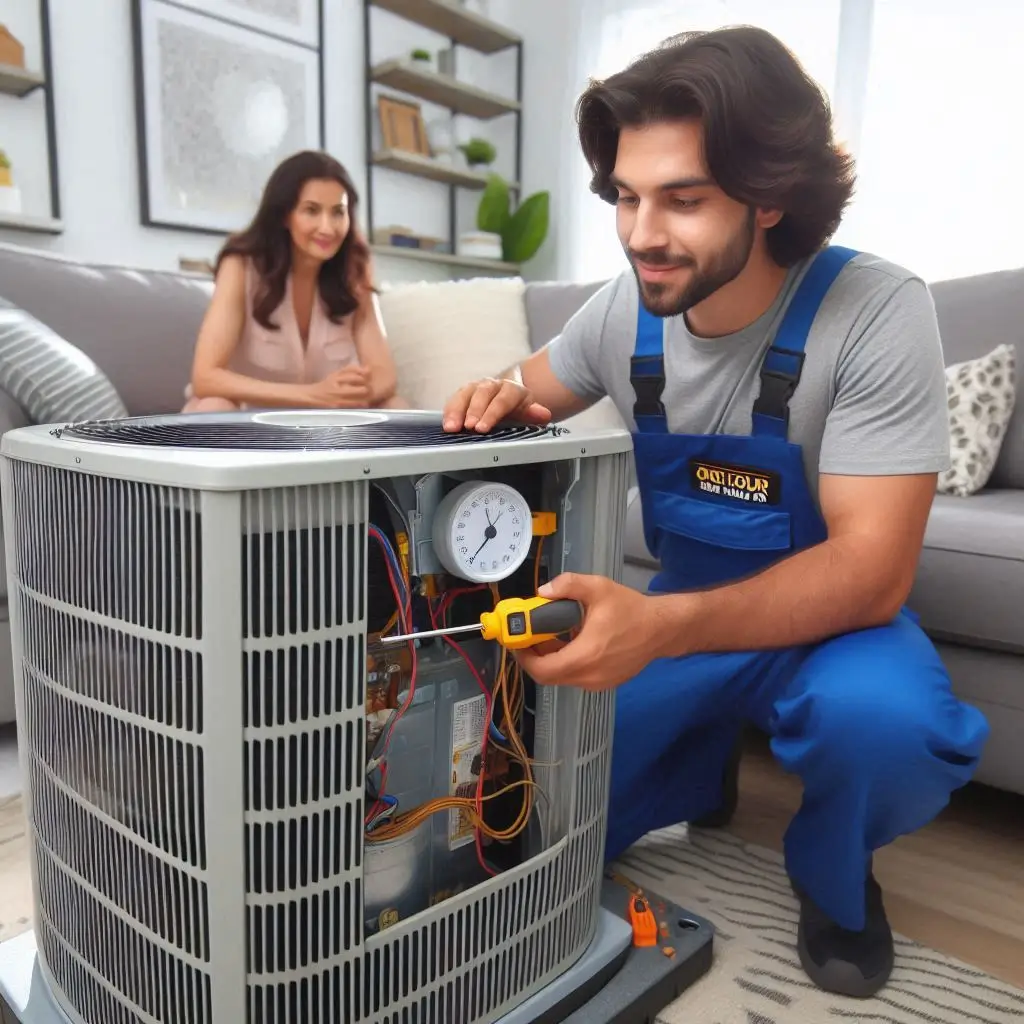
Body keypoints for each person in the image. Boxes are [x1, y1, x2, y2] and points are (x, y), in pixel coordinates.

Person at [442, 26, 989, 1000]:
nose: (641, 230)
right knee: (532, 814)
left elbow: (870, 571)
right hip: (685, 624)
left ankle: (833, 875)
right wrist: (482, 399)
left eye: (682, 198)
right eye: (625, 194)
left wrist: (653, 627)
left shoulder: (874, 309)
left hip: (830, 627)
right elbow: (515, 393)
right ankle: (700, 764)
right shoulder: (622, 311)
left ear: (769, 193)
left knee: (887, 729)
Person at [183, 150, 406, 412]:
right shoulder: (241, 265)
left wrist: (350, 393)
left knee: (395, 405)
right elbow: (205, 377)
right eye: (311, 211)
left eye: (338, 212)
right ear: (284, 215)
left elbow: (385, 376)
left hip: (325, 426)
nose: (327, 227)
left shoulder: (354, 269)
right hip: (246, 425)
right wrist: (313, 395)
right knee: (214, 406)